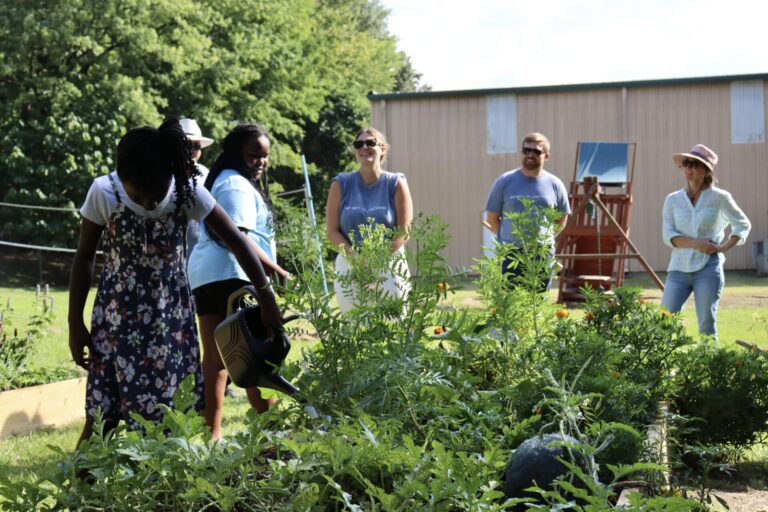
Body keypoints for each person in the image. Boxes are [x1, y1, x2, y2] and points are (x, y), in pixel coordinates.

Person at [69, 118, 282, 447]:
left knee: (171, 414)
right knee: (103, 418)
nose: (149, 205)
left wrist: (267, 299)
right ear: (122, 178)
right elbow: (84, 257)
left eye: (155, 196)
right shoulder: (105, 192)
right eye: (139, 196)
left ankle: (162, 488)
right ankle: (80, 494)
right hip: (116, 322)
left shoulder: (188, 190)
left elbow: (238, 243)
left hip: (171, 321)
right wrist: (74, 323)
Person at [188, 123, 291, 439]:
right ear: (235, 153)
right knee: (257, 353)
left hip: (208, 275)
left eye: (265, 156)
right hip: (232, 275)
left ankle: (212, 436)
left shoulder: (226, 180)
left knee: (217, 358)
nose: (261, 162)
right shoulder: (235, 186)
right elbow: (239, 237)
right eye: (253, 155)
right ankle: (270, 432)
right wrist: (276, 270)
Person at [661, 144, 750, 339]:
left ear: (706, 170)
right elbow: (668, 235)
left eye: (694, 164)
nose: (689, 168)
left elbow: (743, 224)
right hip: (678, 269)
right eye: (686, 163)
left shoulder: (720, 198)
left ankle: (711, 368)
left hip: (708, 269)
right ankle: (656, 369)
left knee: (706, 325)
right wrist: (697, 244)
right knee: (663, 322)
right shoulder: (673, 200)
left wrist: (725, 246)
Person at [325, 127, 413, 312]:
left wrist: (376, 264)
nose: (364, 147)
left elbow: (403, 232)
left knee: (393, 322)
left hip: (389, 262)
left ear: (383, 149)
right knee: (354, 325)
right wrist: (358, 260)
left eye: (370, 143)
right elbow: (332, 231)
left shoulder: (395, 183)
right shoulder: (341, 183)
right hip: (350, 262)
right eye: (359, 144)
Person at [485, 132, 570, 291]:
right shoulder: (504, 182)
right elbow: (492, 218)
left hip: (542, 255)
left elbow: (562, 220)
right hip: (512, 255)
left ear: (546, 156)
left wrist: (544, 239)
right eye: (526, 150)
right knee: (511, 305)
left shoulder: (555, 184)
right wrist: (509, 240)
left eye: (536, 151)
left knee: (537, 304)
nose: (530, 155)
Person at [180, 118, 215, 256]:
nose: (192, 151)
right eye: (187, 145)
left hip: (199, 252)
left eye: (197, 146)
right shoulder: (161, 175)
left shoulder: (206, 174)